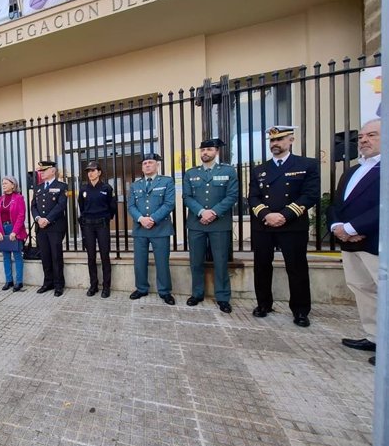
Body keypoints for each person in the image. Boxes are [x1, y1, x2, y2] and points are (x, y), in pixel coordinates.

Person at [248, 125, 320, 326]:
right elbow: (253, 197)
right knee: (261, 266)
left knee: (296, 268)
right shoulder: (260, 169)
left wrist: (284, 215)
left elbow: (310, 195)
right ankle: (263, 304)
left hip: (292, 225)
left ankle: (300, 310)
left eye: (279, 140)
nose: (275, 144)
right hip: (264, 225)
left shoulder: (307, 164)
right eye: (272, 141)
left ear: (291, 140)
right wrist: (267, 215)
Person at [328, 119, 380, 366]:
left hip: (375, 242)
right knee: (362, 288)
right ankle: (373, 336)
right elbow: (337, 203)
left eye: (372, 135)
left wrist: (352, 228)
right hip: (349, 242)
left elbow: (383, 207)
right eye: (361, 137)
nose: (364, 140)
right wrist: (337, 227)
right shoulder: (353, 170)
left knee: (383, 292)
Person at [183, 139, 238, 313]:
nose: (205, 152)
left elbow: (232, 196)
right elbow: (187, 197)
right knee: (196, 261)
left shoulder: (228, 171)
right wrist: (201, 212)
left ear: (217, 152)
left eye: (209, 149)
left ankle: (222, 297)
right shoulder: (191, 173)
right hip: (196, 223)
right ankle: (197, 293)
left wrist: (213, 212)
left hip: (219, 224)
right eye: (203, 150)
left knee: (220, 262)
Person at [128, 153, 175, 304]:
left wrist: (153, 219)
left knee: (162, 262)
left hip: (160, 228)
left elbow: (169, 203)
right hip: (140, 228)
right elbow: (131, 206)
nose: (147, 165)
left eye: (150, 162)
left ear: (157, 165)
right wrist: (141, 219)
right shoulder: (135, 185)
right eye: (144, 163)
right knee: (139, 262)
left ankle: (165, 291)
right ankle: (141, 288)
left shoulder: (167, 181)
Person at [77, 160, 116, 298]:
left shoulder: (106, 188)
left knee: (105, 255)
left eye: (93, 170)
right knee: (91, 256)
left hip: (102, 225)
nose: (90, 173)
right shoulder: (83, 189)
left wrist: (105, 218)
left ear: (99, 172)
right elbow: (81, 207)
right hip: (88, 225)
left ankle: (106, 286)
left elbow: (112, 207)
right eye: (88, 171)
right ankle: (93, 285)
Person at [31, 160, 68, 297]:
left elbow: (61, 205)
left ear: (52, 171)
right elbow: (33, 206)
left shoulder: (62, 186)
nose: (41, 173)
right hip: (41, 228)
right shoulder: (38, 188)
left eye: (44, 170)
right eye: (40, 171)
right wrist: (38, 219)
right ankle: (48, 282)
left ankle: (58, 285)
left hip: (55, 227)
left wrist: (47, 219)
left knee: (56, 256)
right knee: (45, 256)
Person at [0, 176, 27, 292]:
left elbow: (21, 216)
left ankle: (19, 282)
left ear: (13, 185)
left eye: (6, 183)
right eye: (2, 183)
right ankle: (9, 281)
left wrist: (15, 232)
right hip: (3, 229)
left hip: (14, 229)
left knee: (17, 256)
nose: (3, 185)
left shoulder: (19, 198)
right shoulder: (0, 199)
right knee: (5, 256)